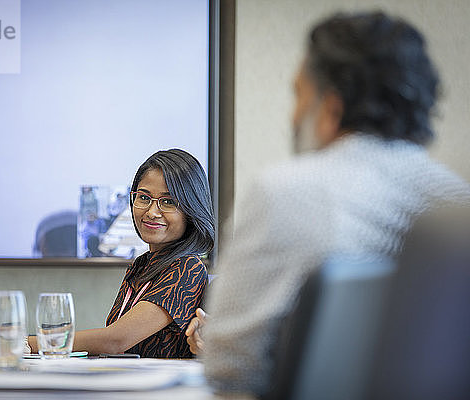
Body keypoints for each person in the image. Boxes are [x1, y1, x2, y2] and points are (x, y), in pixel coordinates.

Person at [200, 11, 470, 398]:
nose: (293, 116)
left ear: (331, 109)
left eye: (298, 95)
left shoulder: (283, 192)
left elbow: (230, 367)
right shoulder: (458, 204)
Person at [26, 149, 214, 357]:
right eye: (143, 197)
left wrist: (17, 343)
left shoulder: (188, 267)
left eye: (168, 202)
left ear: (191, 209)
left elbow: (114, 340)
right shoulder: (142, 265)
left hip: (159, 388)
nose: (151, 212)